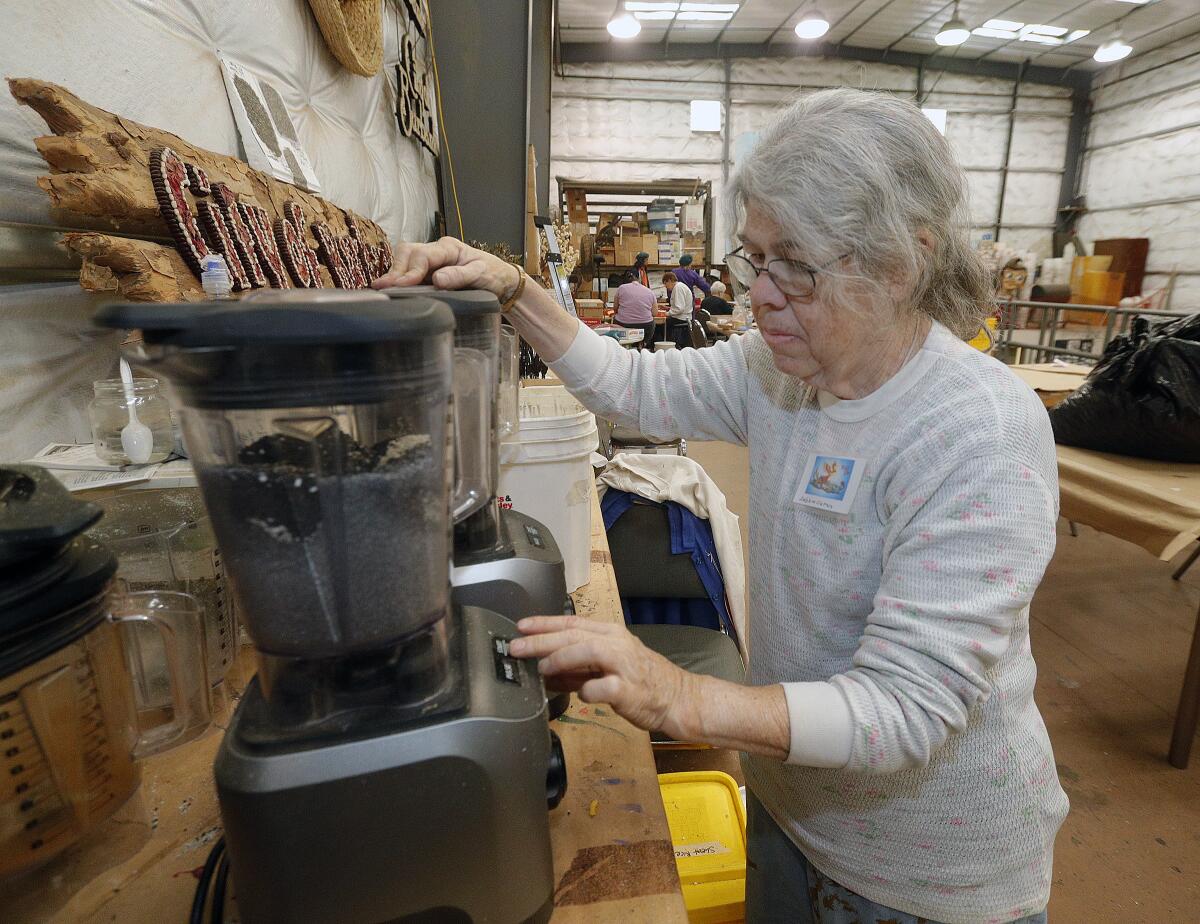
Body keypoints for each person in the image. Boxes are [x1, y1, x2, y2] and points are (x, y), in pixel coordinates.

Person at [374, 87, 1067, 924]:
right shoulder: (782, 370)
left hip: (923, 872)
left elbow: (908, 707)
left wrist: (682, 699)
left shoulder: (976, 427)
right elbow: (631, 384)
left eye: (798, 267)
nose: (762, 294)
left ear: (903, 262)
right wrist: (517, 292)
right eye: (754, 258)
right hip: (789, 798)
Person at [612, 276, 656, 350]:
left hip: (623, 324)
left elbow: (615, 308)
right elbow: (654, 313)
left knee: (615, 321)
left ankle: (620, 346)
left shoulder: (621, 288)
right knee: (653, 323)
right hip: (645, 325)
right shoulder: (650, 291)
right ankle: (644, 343)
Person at [662, 271, 693, 349]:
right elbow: (679, 306)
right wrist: (668, 309)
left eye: (665, 284)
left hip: (682, 318)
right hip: (683, 316)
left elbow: (680, 309)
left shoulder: (678, 288)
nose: (666, 286)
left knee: (662, 324)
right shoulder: (679, 286)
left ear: (669, 280)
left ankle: (670, 346)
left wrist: (666, 314)